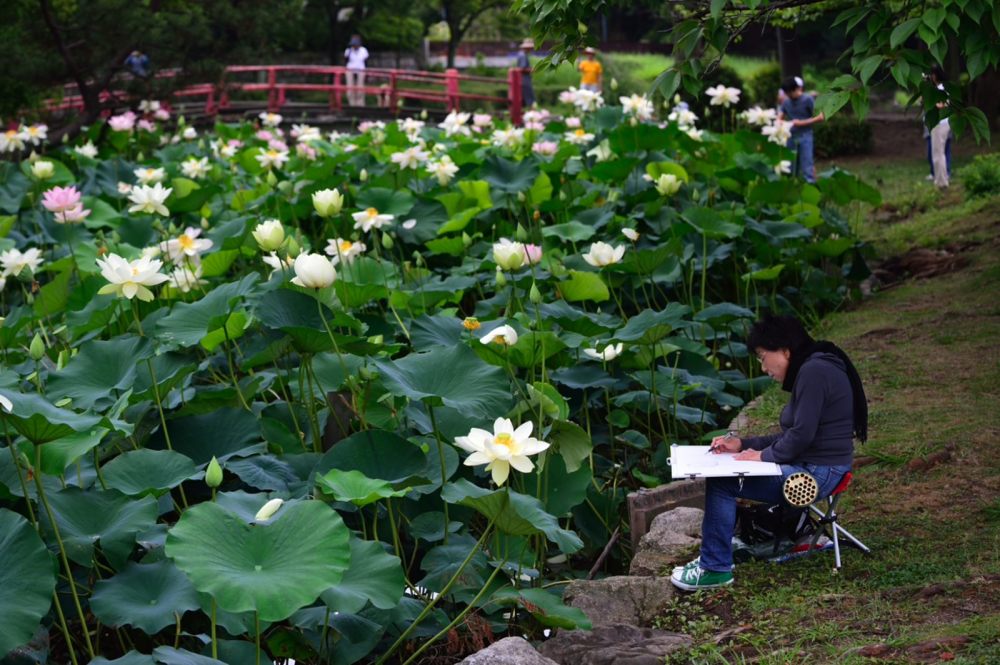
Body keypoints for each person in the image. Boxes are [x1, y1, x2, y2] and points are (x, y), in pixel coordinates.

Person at [671, 315, 868, 591]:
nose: (764, 368)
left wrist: (762, 457)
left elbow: (800, 437)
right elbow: (792, 436)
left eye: (764, 357)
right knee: (727, 473)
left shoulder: (814, 371)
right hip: (819, 466)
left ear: (786, 350)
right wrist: (743, 444)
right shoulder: (814, 368)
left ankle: (714, 568)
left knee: (723, 481)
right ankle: (714, 557)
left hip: (816, 475)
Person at [778, 76, 824, 183]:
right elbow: (780, 116)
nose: (788, 95)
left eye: (790, 92)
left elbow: (821, 117)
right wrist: (779, 121)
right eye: (786, 93)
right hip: (790, 136)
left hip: (805, 135)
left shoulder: (808, 99)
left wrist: (801, 123)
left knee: (807, 164)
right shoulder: (786, 102)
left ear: (796, 89)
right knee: (791, 166)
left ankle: (812, 188)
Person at [924, 65, 951, 188]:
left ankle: (941, 182)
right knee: (940, 153)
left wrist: (930, 100)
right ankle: (942, 180)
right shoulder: (943, 88)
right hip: (941, 123)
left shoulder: (940, 89)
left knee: (938, 154)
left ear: (936, 75)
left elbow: (942, 105)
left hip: (939, 124)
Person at [345, 35, 369, 107]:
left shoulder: (363, 50)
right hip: (350, 70)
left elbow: (365, 60)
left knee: (360, 88)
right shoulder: (348, 51)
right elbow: (346, 60)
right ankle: (351, 104)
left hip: (361, 70)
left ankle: (360, 104)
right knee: (350, 88)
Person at [516, 38, 535, 108]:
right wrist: (531, 70)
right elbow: (522, 69)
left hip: (523, 79)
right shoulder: (523, 55)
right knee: (530, 97)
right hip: (524, 79)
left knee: (524, 97)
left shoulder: (521, 54)